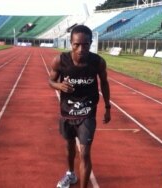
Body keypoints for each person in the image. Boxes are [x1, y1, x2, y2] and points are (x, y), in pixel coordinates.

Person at [49, 25, 111, 188]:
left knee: (84, 153)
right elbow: (51, 81)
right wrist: (59, 86)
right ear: (71, 43)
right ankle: (70, 174)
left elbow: (104, 83)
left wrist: (108, 107)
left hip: (87, 113)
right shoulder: (60, 60)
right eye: (77, 44)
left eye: (85, 44)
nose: (81, 48)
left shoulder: (97, 62)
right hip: (67, 112)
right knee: (69, 147)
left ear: (91, 43)